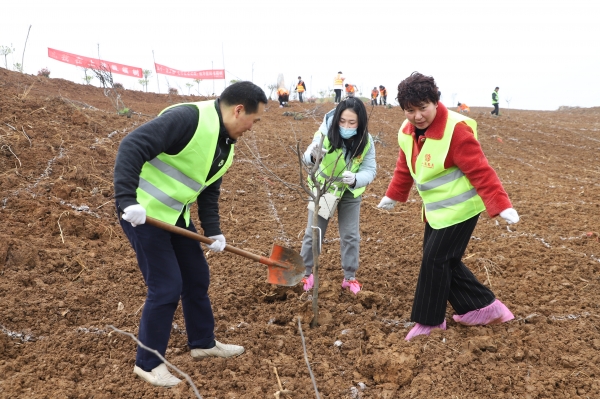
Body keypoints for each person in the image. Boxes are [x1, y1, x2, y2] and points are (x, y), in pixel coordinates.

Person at [114, 81, 268, 387]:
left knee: (196, 276)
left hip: (175, 216)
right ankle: (148, 363)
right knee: (166, 285)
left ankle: (202, 343)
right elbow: (132, 145)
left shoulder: (226, 144)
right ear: (239, 111)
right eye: (255, 119)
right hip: (143, 214)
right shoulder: (189, 119)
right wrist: (127, 200)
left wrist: (215, 233)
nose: (254, 126)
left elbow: (208, 192)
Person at [377, 72, 518, 340]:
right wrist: (394, 195)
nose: (417, 116)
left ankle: (429, 321)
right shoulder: (407, 132)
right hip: (436, 211)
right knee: (446, 261)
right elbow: (405, 166)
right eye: (410, 110)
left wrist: (500, 205)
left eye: (423, 108)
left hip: (462, 209)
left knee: (435, 259)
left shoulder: (456, 130)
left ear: (435, 102)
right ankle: (484, 307)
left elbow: (480, 171)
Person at [300, 97, 377, 295]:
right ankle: (306, 273)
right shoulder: (325, 132)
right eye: (342, 121)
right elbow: (307, 155)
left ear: (360, 123)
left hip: (349, 192)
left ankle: (350, 277)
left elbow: (370, 170)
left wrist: (356, 179)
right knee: (314, 232)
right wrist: (313, 156)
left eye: (352, 123)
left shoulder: (366, 141)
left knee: (351, 236)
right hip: (325, 190)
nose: (346, 126)